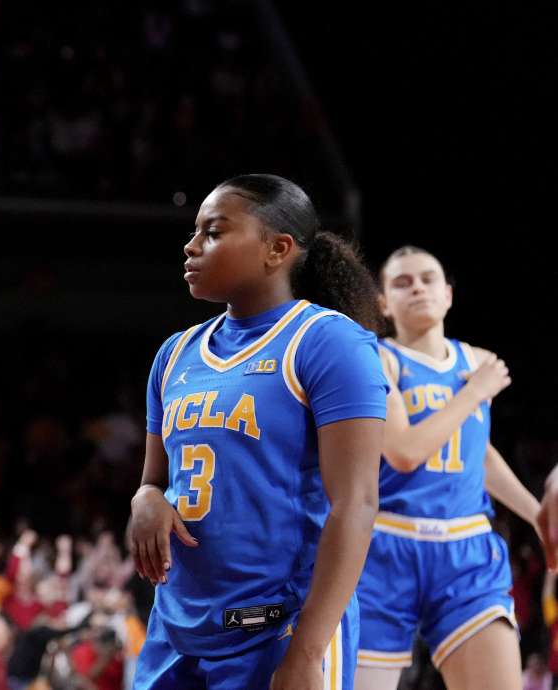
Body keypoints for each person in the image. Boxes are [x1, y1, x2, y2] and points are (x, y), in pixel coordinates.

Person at [128, 174, 387, 689]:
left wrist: (308, 653)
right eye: (195, 231)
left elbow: (355, 504)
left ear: (278, 249)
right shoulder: (174, 353)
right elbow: (153, 480)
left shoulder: (327, 342)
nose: (192, 244)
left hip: (280, 630)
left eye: (214, 232)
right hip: (175, 629)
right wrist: (146, 500)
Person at [353, 246, 534, 690]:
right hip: (386, 546)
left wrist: (536, 514)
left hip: (465, 548)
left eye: (428, 278)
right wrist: (474, 394)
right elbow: (405, 451)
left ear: (448, 294)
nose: (417, 287)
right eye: (402, 282)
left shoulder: (475, 361)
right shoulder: (378, 359)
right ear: (383, 303)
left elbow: (477, 451)